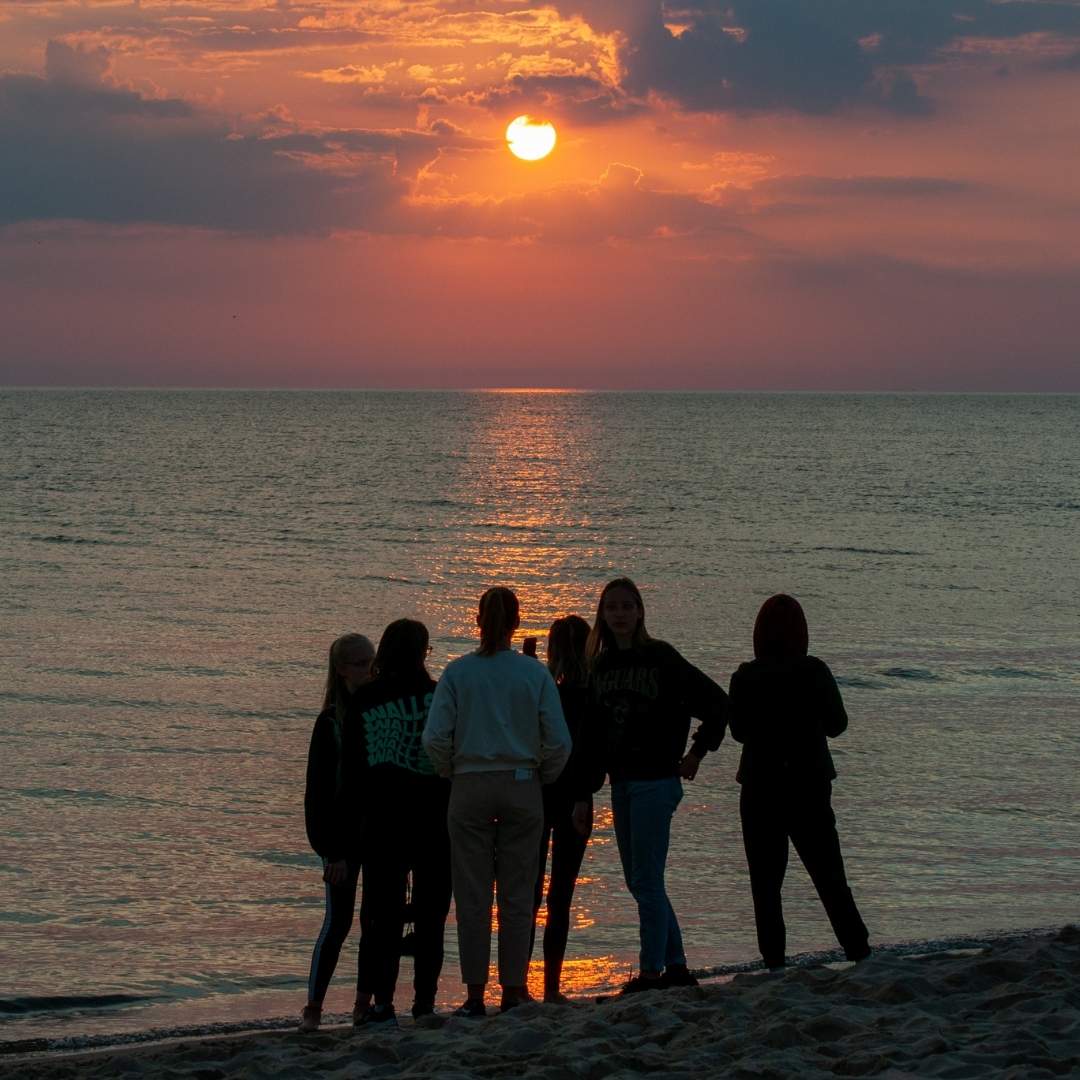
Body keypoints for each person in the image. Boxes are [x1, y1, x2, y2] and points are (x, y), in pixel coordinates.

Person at [573, 577, 728, 994]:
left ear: (640, 611)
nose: (620, 614)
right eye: (612, 608)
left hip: (657, 781)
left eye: (627, 606)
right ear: (602, 616)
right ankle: (675, 967)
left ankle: (650, 973)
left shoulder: (661, 658)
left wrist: (696, 753)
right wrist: (583, 793)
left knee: (645, 880)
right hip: (621, 783)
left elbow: (717, 703)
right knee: (642, 880)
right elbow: (590, 736)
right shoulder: (600, 667)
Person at [423, 587, 572, 1016]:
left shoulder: (458, 673)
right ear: (516, 623)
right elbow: (559, 741)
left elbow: (434, 738)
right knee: (517, 891)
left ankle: (473, 994)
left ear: (478, 621)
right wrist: (541, 776)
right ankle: (511, 987)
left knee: (471, 893)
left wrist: (451, 770)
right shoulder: (534, 674)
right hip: (522, 782)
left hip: (469, 783)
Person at [728, 594, 870, 970]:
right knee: (829, 876)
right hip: (809, 783)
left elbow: (739, 731)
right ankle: (857, 949)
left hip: (760, 787)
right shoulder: (814, 671)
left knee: (766, 884)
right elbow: (839, 725)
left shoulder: (745, 675)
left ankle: (774, 961)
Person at [347, 619, 452, 1025]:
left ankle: (382, 1003)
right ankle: (425, 1001)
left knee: (382, 917)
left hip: (382, 820)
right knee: (431, 915)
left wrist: (353, 824)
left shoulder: (365, 698)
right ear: (424, 652)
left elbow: (353, 766)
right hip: (434, 818)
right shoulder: (440, 695)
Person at [301, 632, 376, 1032]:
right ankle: (313, 1006)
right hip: (341, 840)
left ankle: (363, 1003)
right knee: (338, 922)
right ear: (342, 669)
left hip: (376, 834)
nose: (369, 670)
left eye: (372, 662)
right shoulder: (329, 722)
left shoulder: (377, 711)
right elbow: (316, 794)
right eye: (361, 663)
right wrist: (330, 852)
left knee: (375, 921)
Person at [529, 615, 593, 1003]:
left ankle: (518, 980)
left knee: (530, 890)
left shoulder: (544, 691)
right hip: (575, 798)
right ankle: (551, 985)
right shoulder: (590, 694)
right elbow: (589, 754)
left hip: (540, 796)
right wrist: (585, 796)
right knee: (560, 894)